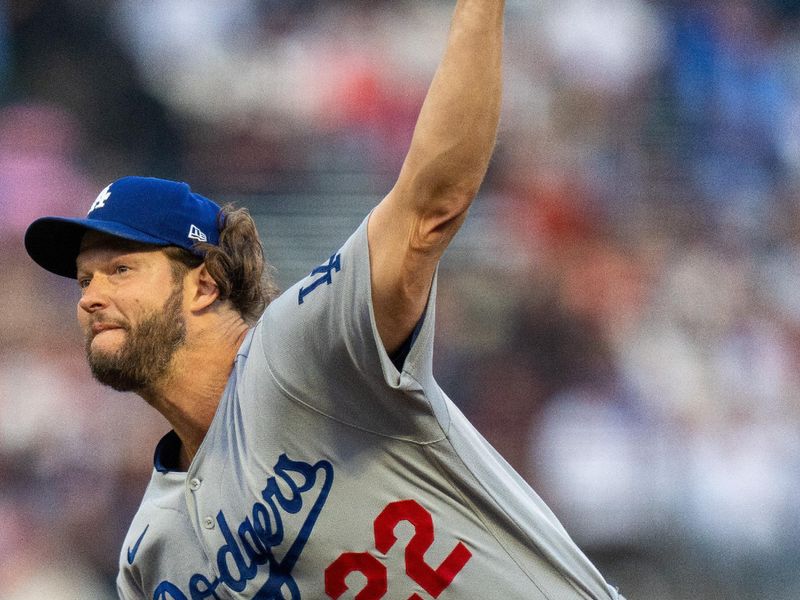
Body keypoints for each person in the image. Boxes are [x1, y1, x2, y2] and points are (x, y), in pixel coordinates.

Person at [24, 1, 624, 598]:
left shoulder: (299, 354)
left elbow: (429, 206)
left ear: (204, 284)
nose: (90, 298)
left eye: (120, 269)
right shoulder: (150, 554)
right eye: (84, 280)